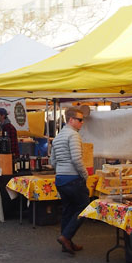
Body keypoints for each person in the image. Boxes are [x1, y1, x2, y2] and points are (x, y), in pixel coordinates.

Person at [51, 107, 89, 255]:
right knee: (84, 207)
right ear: (71, 120)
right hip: (73, 178)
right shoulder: (73, 136)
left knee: (68, 210)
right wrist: (84, 174)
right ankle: (66, 237)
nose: (82, 123)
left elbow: (53, 161)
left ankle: (66, 242)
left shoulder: (58, 136)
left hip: (60, 178)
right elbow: (76, 159)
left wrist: (60, 170)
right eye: (80, 120)